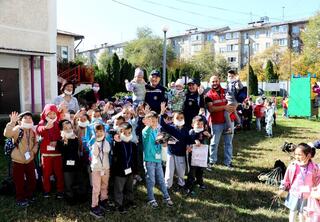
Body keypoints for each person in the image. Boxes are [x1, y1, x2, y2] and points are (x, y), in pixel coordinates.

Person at [3, 111, 38, 207]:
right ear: (20, 121)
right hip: (17, 161)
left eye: (29, 118)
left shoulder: (32, 131)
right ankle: (20, 198)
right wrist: (11, 123)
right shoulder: (18, 129)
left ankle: (29, 195)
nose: (28, 119)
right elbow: (7, 134)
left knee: (32, 179)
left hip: (29, 160)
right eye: (25, 118)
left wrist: (33, 152)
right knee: (19, 181)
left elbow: (36, 144)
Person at [278, 143, 319, 222]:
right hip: (295, 193)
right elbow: (286, 179)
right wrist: (282, 188)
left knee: (303, 213)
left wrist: (316, 190)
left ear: (308, 155)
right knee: (292, 211)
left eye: (300, 155)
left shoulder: (314, 168)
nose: (297, 156)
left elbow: (317, 179)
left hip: (307, 195)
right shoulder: (293, 166)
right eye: (296, 154)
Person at [142, 111, 173, 208]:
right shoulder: (145, 130)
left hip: (158, 159)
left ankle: (166, 197)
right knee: (151, 180)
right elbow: (147, 132)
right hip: (149, 160)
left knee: (161, 179)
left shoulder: (157, 131)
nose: (154, 123)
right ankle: (151, 199)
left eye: (156, 121)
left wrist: (164, 144)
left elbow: (159, 143)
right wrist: (149, 124)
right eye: (152, 121)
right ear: (147, 122)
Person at [205, 75, 236, 168]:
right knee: (214, 143)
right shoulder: (208, 95)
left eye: (216, 81)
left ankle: (228, 162)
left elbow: (235, 102)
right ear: (210, 83)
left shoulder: (227, 91)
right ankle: (212, 161)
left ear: (219, 81)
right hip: (216, 122)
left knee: (228, 143)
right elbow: (211, 109)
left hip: (229, 122)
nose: (214, 83)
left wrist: (234, 106)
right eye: (212, 82)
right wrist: (224, 107)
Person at [160, 102, 190, 191]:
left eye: (181, 118)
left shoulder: (186, 129)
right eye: (177, 118)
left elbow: (189, 139)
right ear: (173, 119)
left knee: (181, 171)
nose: (179, 119)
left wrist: (189, 146)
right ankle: (167, 185)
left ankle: (181, 184)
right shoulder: (170, 127)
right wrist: (162, 112)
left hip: (181, 153)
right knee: (169, 170)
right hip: (171, 153)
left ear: (184, 119)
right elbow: (162, 124)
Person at [36, 104, 64, 198]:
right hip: (46, 154)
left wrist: (57, 141)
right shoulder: (42, 122)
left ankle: (60, 190)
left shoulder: (58, 122)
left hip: (57, 153)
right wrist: (45, 128)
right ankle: (46, 190)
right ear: (45, 114)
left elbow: (61, 134)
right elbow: (38, 130)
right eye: (49, 114)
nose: (52, 116)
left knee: (58, 172)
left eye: (53, 113)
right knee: (46, 173)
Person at [112, 123, 138, 213]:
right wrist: (118, 143)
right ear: (120, 132)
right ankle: (119, 204)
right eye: (125, 133)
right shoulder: (117, 144)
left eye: (129, 133)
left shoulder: (133, 145)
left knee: (129, 187)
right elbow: (115, 155)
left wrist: (135, 171)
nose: (127, 135)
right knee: (119, 188)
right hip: (119, 171)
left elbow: (135, 159)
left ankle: (130, 200)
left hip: (130, 171)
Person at [89, 124, 111, 219]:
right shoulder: (93, 142)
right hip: (97, 169)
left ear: (104, 132)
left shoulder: (106, 142)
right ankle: (94, 206)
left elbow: (107, 150)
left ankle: (103, 200)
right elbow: (95, 153)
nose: (99, 133)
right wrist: (95, 142)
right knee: (96, 188)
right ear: (94, 133)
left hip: (105, 168)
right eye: (97, 131)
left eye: (101, 131)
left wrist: (103, 140)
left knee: (105, 185)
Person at [56, 120, 81, 204]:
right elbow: (61, 150)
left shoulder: (75, 138)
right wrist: (65, 141)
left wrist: (73, 139)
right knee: (68, 182)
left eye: (70, 128)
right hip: (66, 165)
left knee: (76, 180)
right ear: (62, 130)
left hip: (76, 163)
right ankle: (70, 198)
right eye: (66, 128)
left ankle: (78, 196)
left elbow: (75, 149)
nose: (68, 130)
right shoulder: (60, 140)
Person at [185, 116, 211, 195]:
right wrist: (195, 140)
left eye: (201, 124)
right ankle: (189, 187)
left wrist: (209, 135)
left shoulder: (203, 131)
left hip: (201, 156)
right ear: (193, 124)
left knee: (200, 170)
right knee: (192, 171)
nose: (199, 126)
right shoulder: (191, 131)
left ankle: (200, 182)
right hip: (192, 156)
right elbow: (190, 139)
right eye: (198, 124)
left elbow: (210, 137)